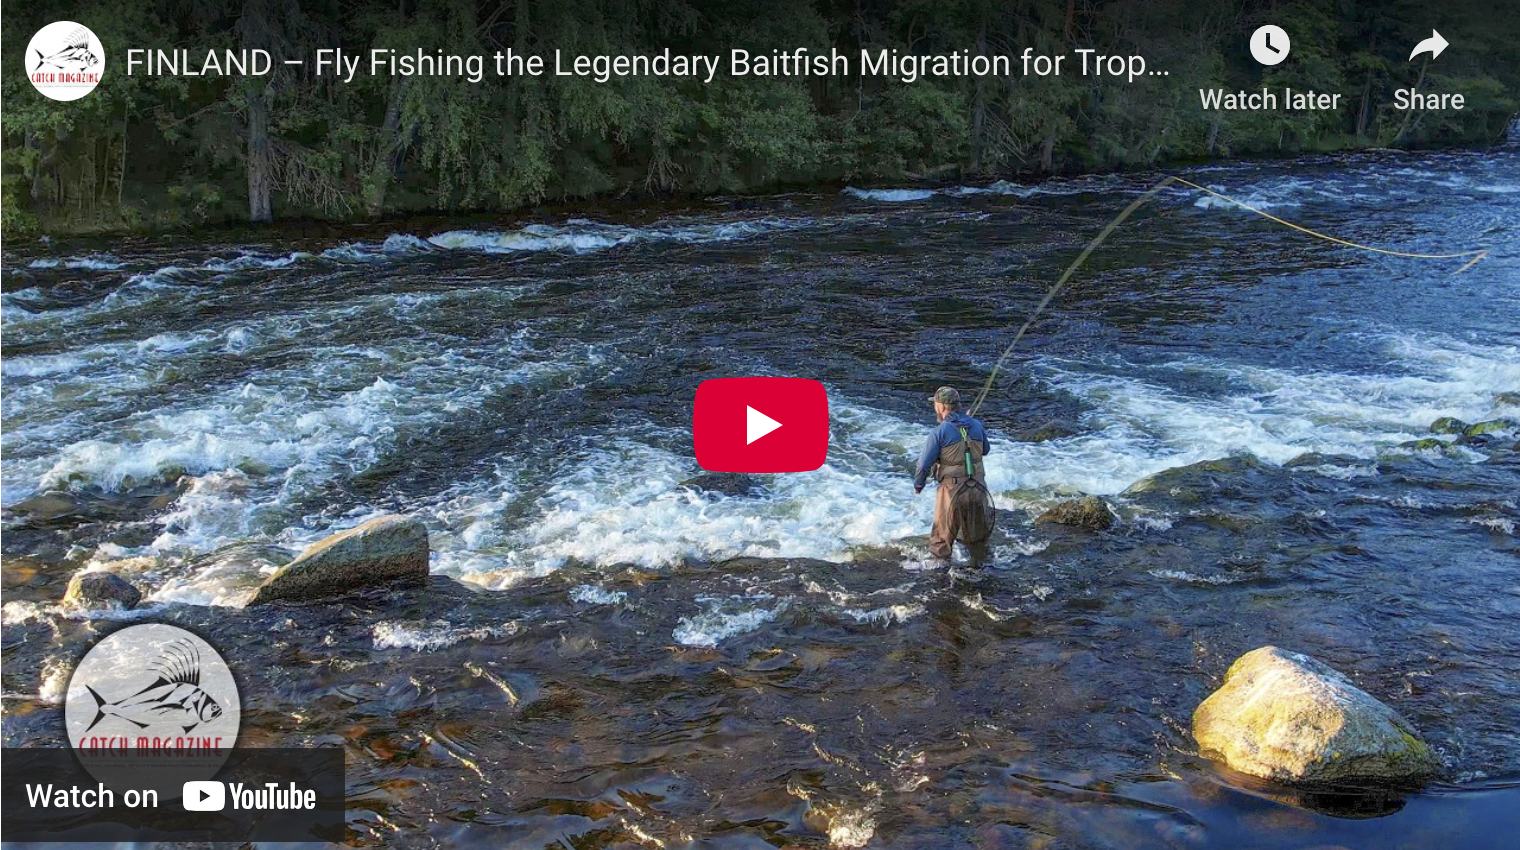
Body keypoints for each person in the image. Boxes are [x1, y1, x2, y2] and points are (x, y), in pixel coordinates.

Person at [913, 386, 995, 562]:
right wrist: (969, 429)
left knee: (941, 544)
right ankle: (981, 576)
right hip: (979, 489)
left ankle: (940, 583)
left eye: (935, 404)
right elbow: (985, 450)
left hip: (952, 491)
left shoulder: (939, 432)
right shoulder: (977, 425)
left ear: (942, 407)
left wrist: (918, 485)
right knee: (977, 540)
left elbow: (923, 465)